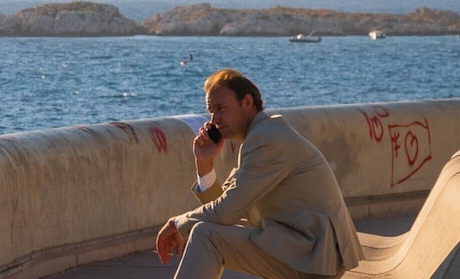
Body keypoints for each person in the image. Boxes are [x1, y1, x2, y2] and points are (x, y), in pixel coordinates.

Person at [154, 69, 362, 278]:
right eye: (211, 111)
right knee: (207, 230)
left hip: (313, 256)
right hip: (304, 250)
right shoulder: (262, 135)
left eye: (221, 109)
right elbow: (225, 208)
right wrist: (204, 162)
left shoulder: (267, 139)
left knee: (206, 235)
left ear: (247, 102)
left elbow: (224, 212)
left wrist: (176, 223)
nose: (214, 119)